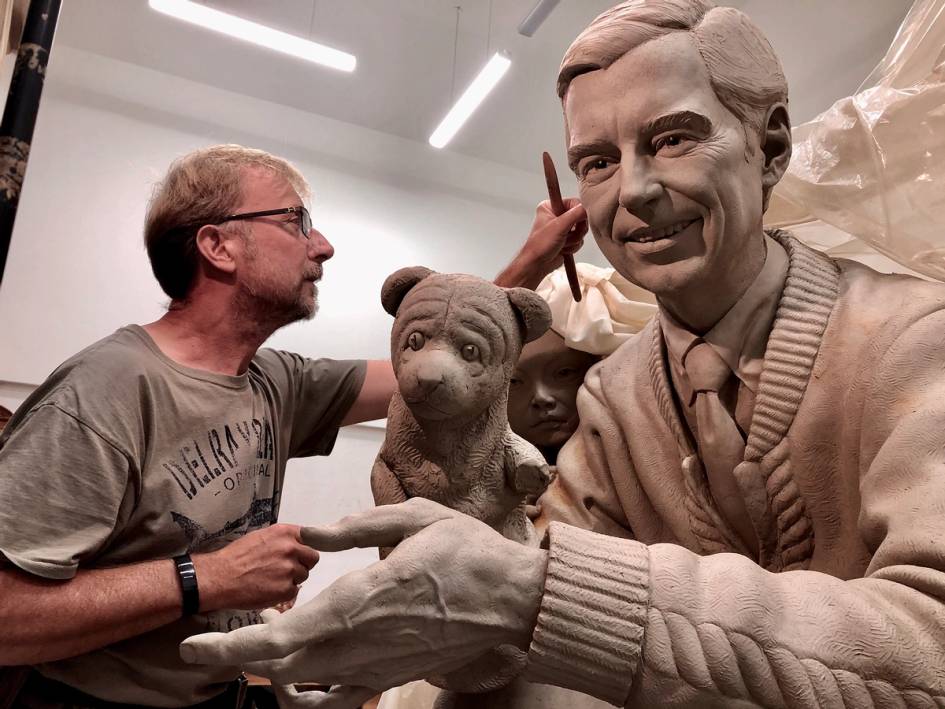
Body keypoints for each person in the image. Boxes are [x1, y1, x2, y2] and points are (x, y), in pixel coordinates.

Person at [179, 2, 945, 707]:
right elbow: (532, 614)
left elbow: (928, 640)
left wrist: (529, 592)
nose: (633, 191)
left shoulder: (911, 336)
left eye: (671, 138)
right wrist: (443, 639)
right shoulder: (614, 394)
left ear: (769, 146)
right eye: (597, 162)